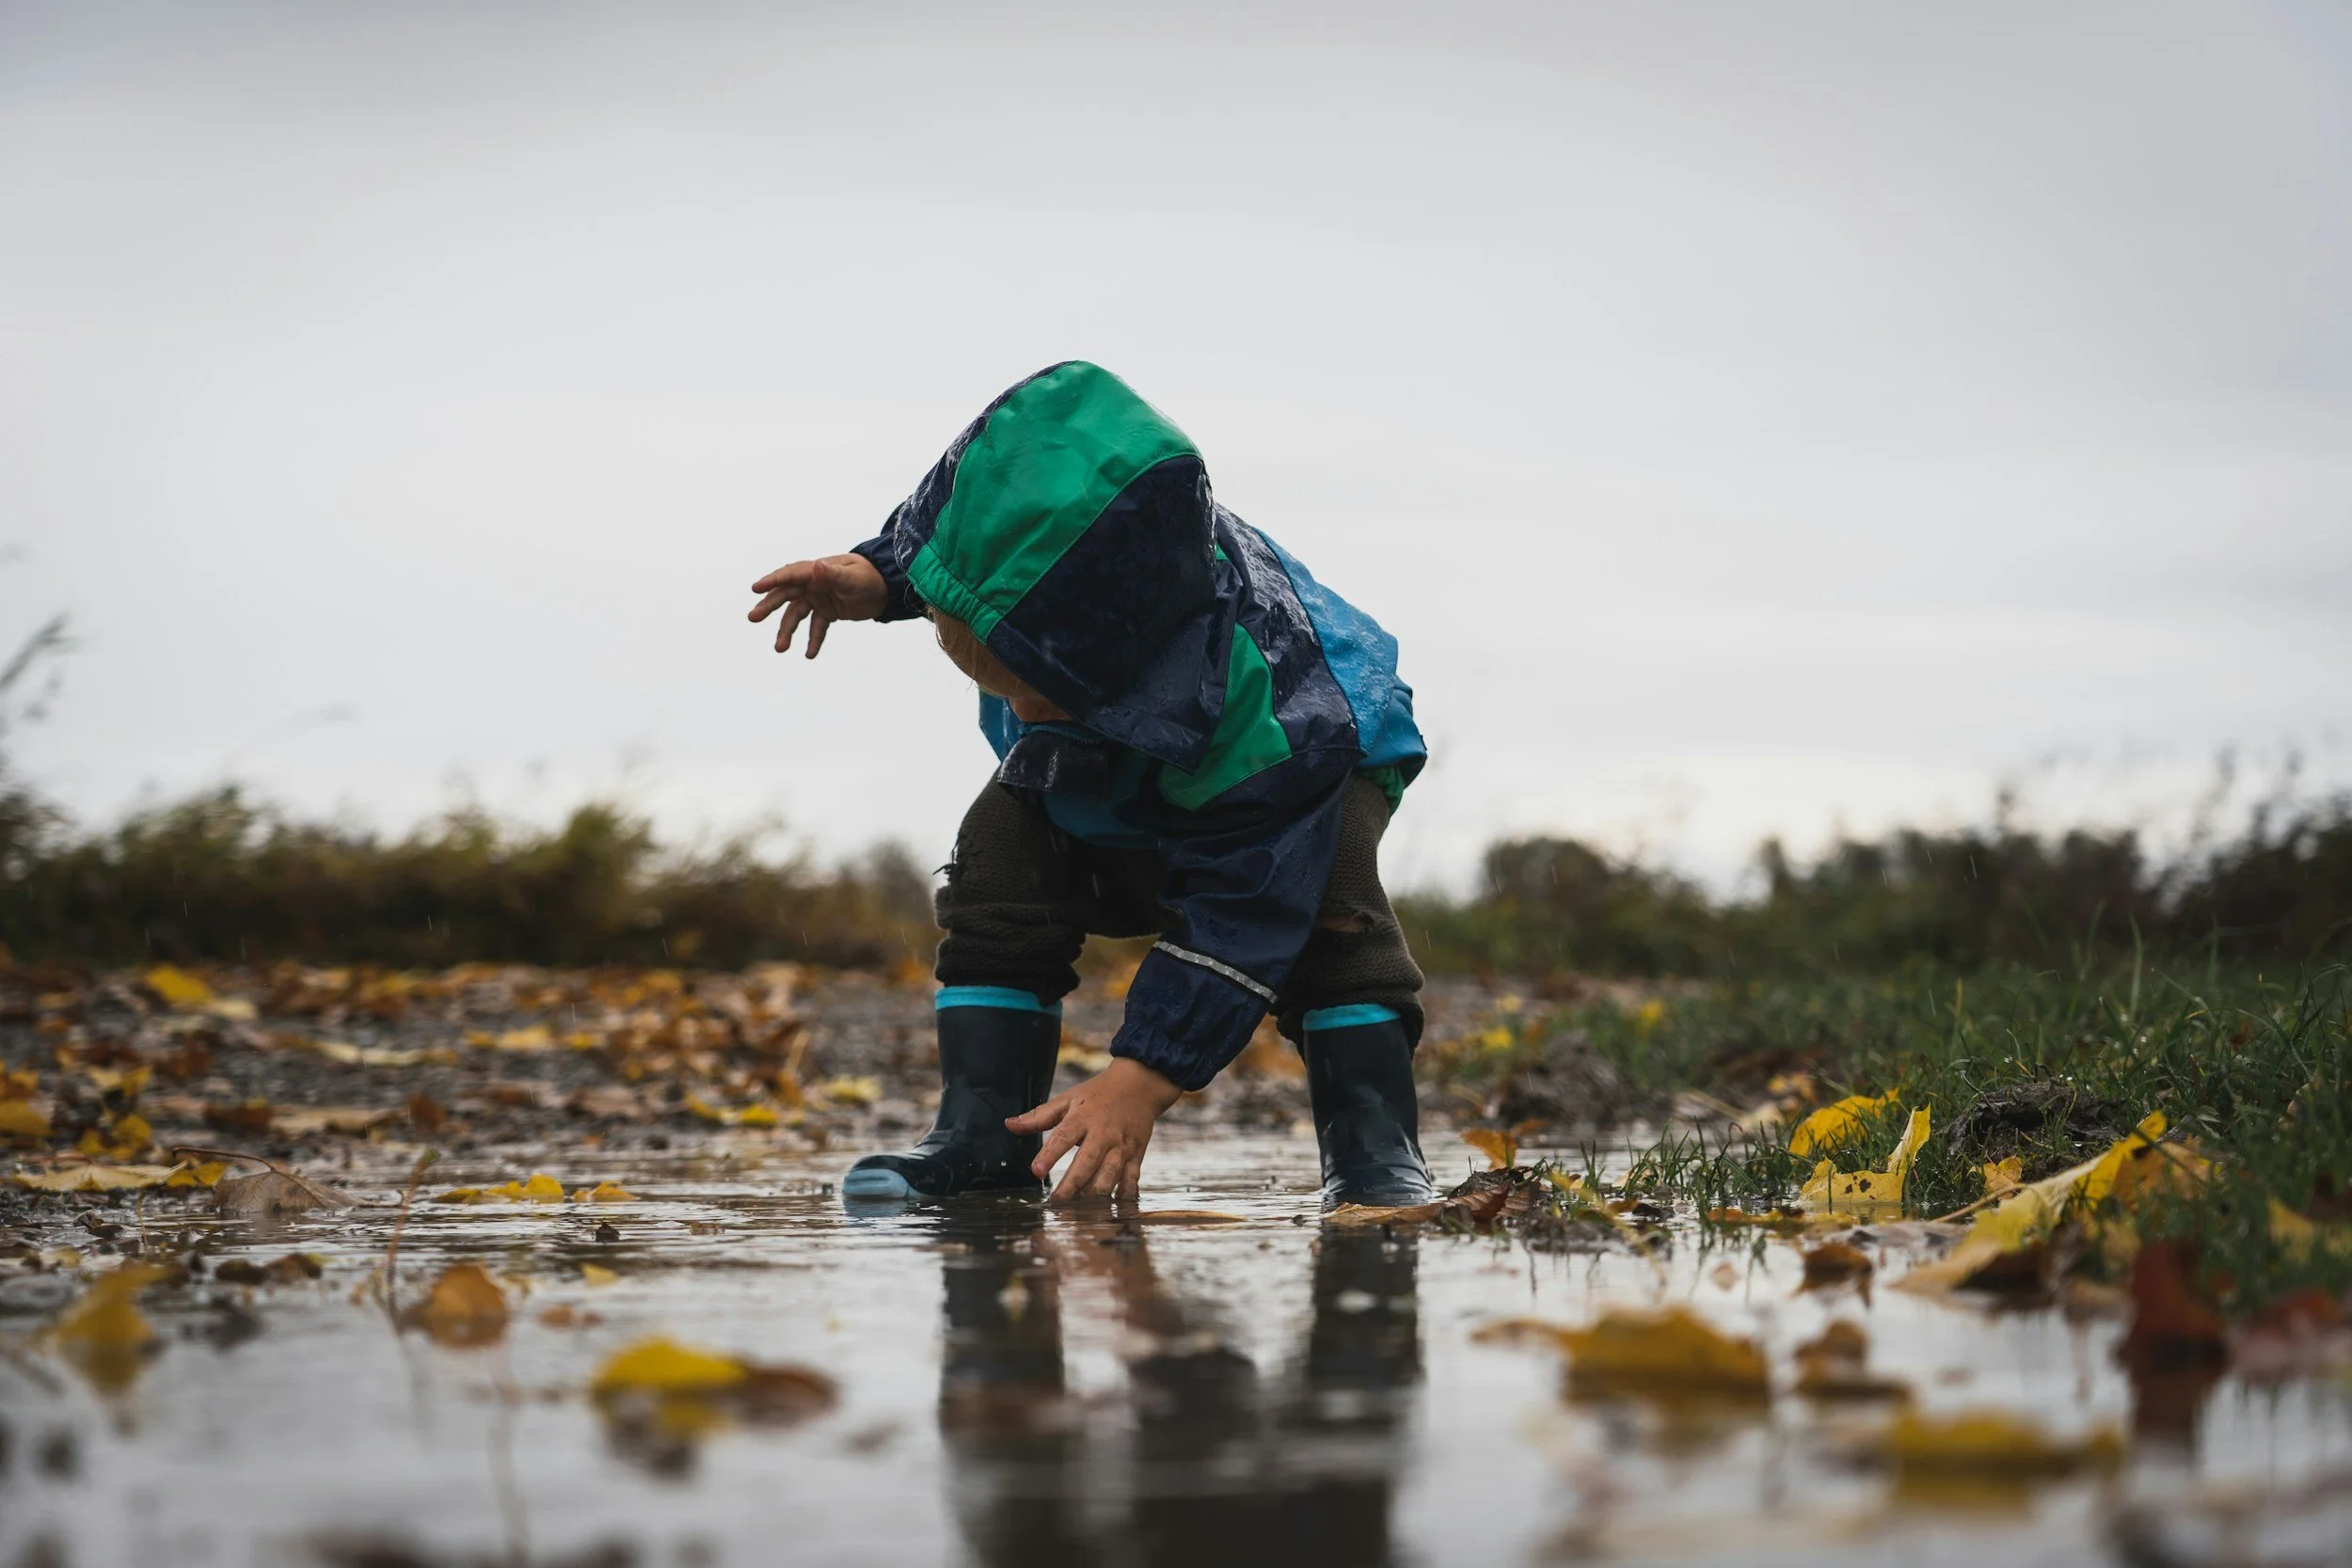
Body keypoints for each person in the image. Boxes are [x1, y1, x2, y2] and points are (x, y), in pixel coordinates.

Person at [747, 361, 1432, 1208]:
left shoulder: (1272, 727)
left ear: (1113, 645)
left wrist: (1140, 1079)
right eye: (991, 672)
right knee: (1000, 854)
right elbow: (974, 539)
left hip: (1318, 757)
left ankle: (1373, 1152)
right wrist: (881, 576)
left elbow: (1245, 904)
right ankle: (981, 1137)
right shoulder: (1030, 580)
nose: (1023, 712)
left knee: (1330, 911)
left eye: (1042, 684)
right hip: (1123, 736)